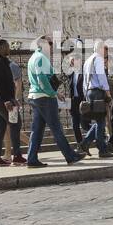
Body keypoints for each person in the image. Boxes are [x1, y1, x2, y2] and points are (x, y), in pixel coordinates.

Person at [25, 35, 84, 167]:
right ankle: (70, 156)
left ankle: (32, 158)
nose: (53, 47)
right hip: (45, 98)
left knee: (37, 130)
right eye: (51, 44)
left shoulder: (33, 58)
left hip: (35, 97)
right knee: (57, 128)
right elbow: (42, 79)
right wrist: (53, 93)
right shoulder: (41, 58)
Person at [0, 39, 26, 166]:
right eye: (7, 46)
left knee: (0, 126)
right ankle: (17, 156)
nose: (9, 48)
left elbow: (8, 84)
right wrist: (7, 100)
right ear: (2, 47)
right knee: (15, 123)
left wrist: (13, 99)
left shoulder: (3, 62)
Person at [81, 40, 113, 157]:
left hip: (90, 92)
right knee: (101, 121)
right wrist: (108, 93)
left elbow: (85, 80)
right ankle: (102, 149)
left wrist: (86, 93)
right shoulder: (99, 59)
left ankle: (85, 143)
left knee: (98, 120)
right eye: (105, 48)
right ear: (101, 49)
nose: (106, 51)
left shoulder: (88, 61)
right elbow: (102, 77)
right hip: (97, 92)